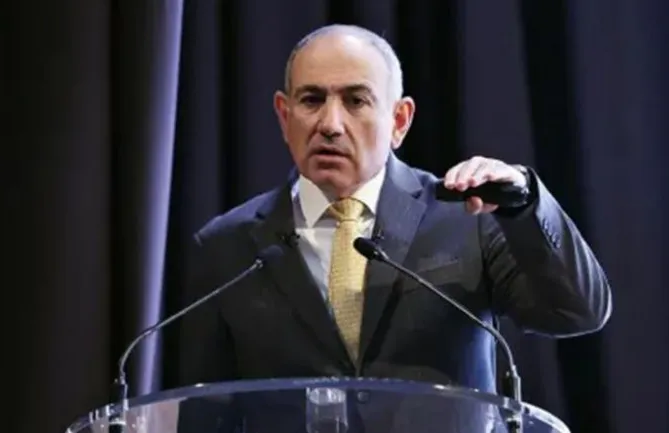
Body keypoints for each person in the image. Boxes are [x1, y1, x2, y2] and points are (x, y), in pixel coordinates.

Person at [173, 24, 612, 432]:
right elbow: (204, 414)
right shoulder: (226, 246)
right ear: (284, 116)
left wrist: (525, 201)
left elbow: (576, 312)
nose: (330, 124)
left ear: (399, 121)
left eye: (356, 101)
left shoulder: (468, 217)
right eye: (311, 100)